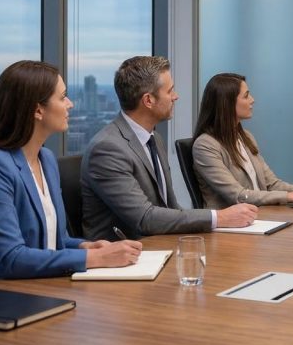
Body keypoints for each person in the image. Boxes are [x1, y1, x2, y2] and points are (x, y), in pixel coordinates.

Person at [0, 61, 141, 289]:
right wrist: (96, 259)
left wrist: (83, 247)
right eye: (62, 98)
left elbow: (51, 240)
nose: (70, 104)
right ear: (37, 110)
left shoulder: (46, 159)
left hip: (37, 289)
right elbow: (11, 258)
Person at [82, 56, 258, 241]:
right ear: (148, 100)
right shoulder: (108, 149)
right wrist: (219, 217)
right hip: (125, 258)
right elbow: (145, 218)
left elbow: (171, 208)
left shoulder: (154, 139)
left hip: (161, 246)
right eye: (170, 90)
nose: (176, 96)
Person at [193, 73, 293, 208]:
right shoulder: (205, 146)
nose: (252, 100)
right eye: (246, 96)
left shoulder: (245, 137)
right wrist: (291, 196)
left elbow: (271, 184)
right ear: (227, 103)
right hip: (231, 223)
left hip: (259, 215)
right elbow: (239, 195)